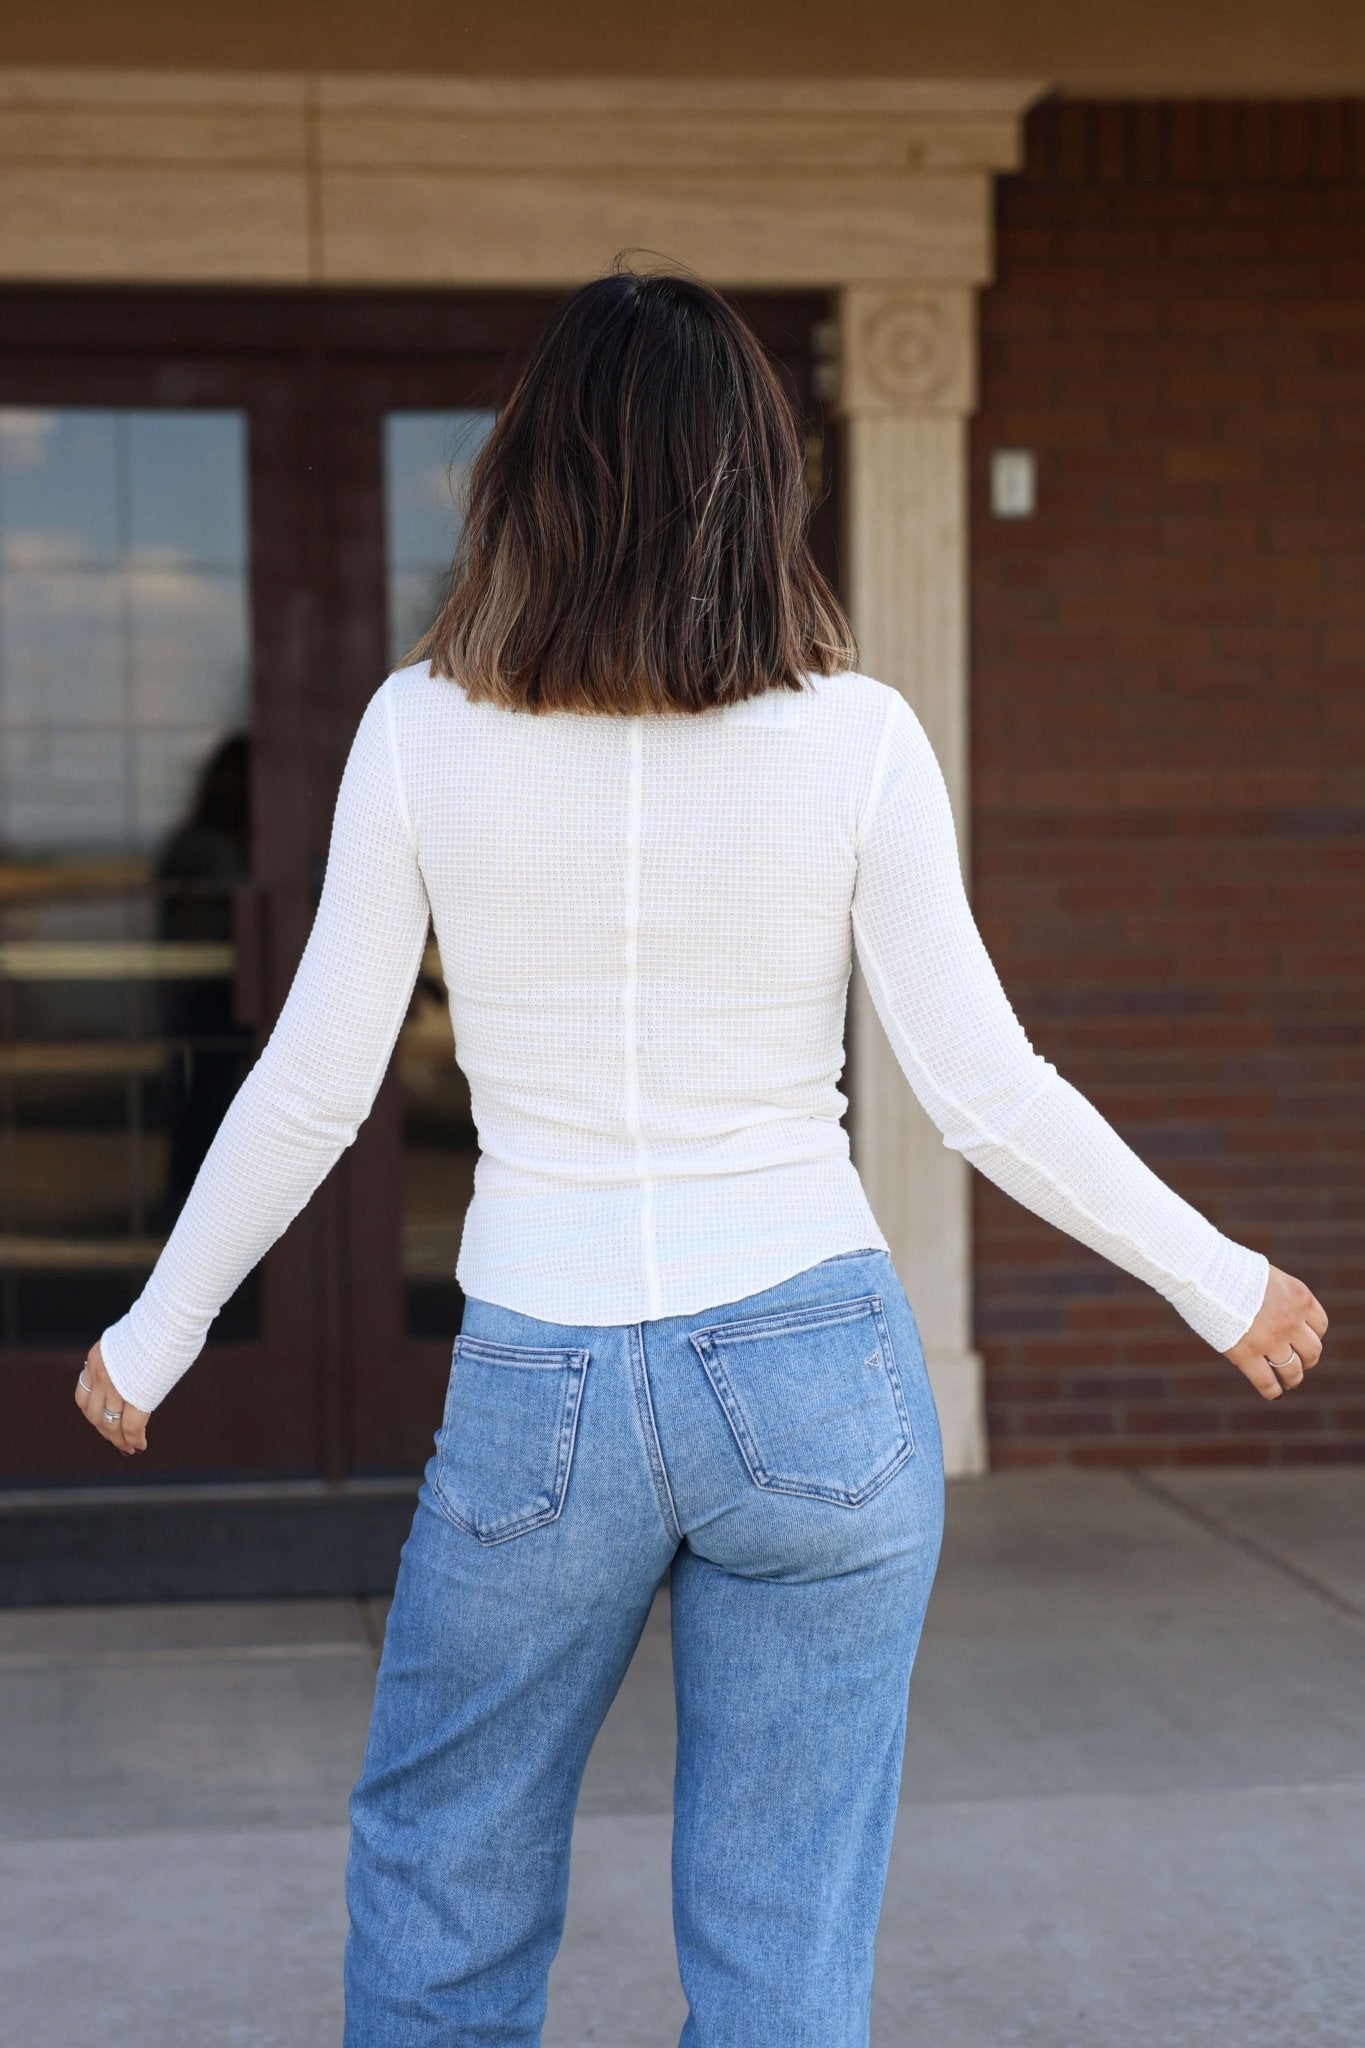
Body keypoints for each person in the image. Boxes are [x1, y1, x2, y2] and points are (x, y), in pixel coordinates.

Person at [76, 265, 1328, 2047]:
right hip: (817, 1375)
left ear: (527, 480)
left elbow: (311, 1084)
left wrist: (157, 1332)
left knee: (445, 1880)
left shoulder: (418, 729)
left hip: (543, 1386)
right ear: (762, 477)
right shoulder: (860, 737)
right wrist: (1225, 1284)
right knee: (782, 1954)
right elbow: (981, 1088)